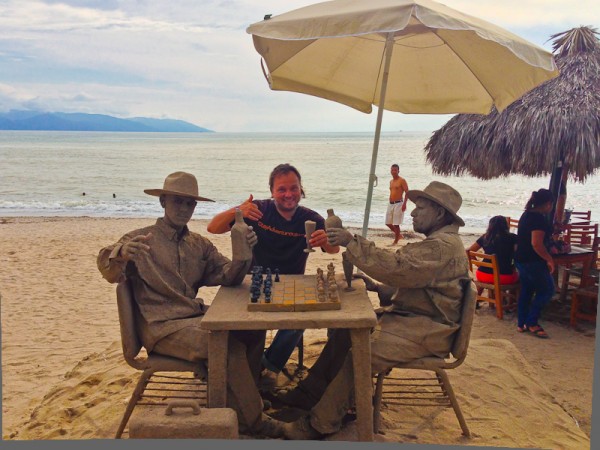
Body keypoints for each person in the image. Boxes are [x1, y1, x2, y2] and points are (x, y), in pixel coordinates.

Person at [277, 181, 471, 440]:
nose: (412, 213)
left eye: (420, 208)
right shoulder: (441, 243)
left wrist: (351, 242)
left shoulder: (441, 246)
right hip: (416, 320)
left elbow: (397, 268)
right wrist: (379, 288)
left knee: (360, 354)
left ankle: (319, 423)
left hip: (428, 331)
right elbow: (419, 285)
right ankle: (310, 394)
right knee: (345, 332)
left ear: (439, 213)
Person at [97, 171, 284, 438]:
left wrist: (244, 252)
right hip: (161, 328)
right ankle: (255, 421)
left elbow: (228, 276)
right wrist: (120, 254)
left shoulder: (199, 244)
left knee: (252, 330)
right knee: (226, 347)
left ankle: (244, 401)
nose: (184, 208)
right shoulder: (139, 239)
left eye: (190, 203)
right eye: (177, 201)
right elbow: (107, 269)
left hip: (195, 318)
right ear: (163, 202)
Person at [207, 163, 339, 387]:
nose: (288, 194)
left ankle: (269, 367)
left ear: (301, 189)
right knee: (249, 323)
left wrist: (325, 241)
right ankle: (249, 366)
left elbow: (333, 250)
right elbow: (213, 227)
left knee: (299, 321)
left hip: (292, 284)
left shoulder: (311, 218)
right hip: (253, 283)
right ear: (272, 191)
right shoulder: (257, 210)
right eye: (282, 189)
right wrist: (237, 210)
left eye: (294, 188)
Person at [514, 188, 556, 338]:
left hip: (521, 259)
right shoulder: (538, 219)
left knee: (527, 290)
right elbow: (536, 244)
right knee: (547, 290)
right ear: (547, 204)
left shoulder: (525, 215)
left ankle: (522, 323)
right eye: (551, 204)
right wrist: (549, 258)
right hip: (533, 261)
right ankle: (532, 322)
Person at [467, 215, 519, 284]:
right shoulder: (513, 237)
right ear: (506, 225)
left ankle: (487, 293)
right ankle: (510, 294)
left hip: (483, 274)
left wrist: (479, 265)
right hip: (504, 276)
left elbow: (469, 251)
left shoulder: (486, 237)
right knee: (520, 278)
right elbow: (518, 255)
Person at [386, 164, 409, 245]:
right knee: (388, 223)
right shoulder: (391, 181)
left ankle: (396, 241)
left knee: (396, 224)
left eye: (395, 170)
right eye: (392, 170)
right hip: (390, 203)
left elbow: (407, 192)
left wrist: (404, 204)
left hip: (399, 203)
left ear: (398, 171)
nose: (393, 171)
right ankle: (399, 235)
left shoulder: (402, 180)